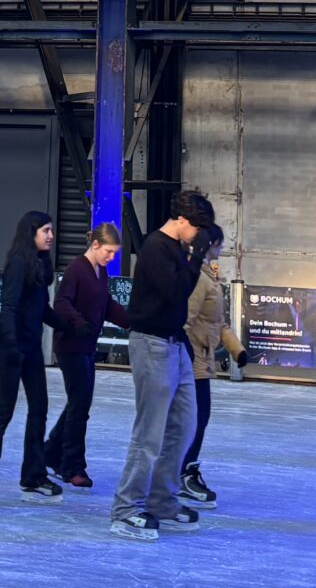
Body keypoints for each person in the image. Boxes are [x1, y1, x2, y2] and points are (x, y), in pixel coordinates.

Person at [109, 187, 213, 541]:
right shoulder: (155, 247)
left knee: (184, 425)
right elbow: (176, 291)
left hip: (175, 343)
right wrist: (196, 258)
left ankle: (161, 500)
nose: (198, 236)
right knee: (149, 432)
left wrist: (193, 255)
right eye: (196, 228)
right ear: (181, 220)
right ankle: (126, 507)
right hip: (151, 344)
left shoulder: (178, 247)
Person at [0, 210, 58, 503]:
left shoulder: (41, 264)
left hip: (30, 346)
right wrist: (11, 343)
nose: (50, 235)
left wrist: (72, 326)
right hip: (12, 346)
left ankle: (33, 474)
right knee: (5, 407)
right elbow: (8, 306)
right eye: (45, 230)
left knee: (39, 407)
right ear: (30, 233)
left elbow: (42, 310)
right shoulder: (19, 263)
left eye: (51, 230)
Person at [45, 221, 127, 488]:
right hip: (71, 346)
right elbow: (61, 302)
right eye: (108, 251)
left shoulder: (100, 272)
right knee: (80, 406)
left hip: (87, 347)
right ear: (95, 244)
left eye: (114, 253)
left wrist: (132, 320)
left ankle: (50, 452)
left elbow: (106, 304)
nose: (111, 257)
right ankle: (72, 466)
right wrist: (78, 323)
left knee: (78, 404)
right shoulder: (76, 269)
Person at [182, 221, 244, 505]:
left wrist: (237, 351)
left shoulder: (210, 275)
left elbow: (218, 323)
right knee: (196, 418)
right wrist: (184, 352)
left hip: (202, 359)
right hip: (193, 359)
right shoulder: (198, 277)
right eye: (219, 244)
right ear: (209, 246)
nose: (222, 249)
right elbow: (186, 319)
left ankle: (185, 468)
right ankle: (183, 471)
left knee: (200, 418)